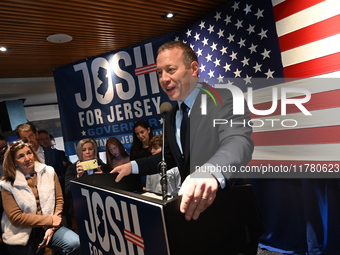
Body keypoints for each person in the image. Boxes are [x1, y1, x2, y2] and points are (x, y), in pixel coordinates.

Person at [111, 41, 261, 254]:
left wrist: (210, 171)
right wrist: (132, 166)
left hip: (231, 219)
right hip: (196, 220)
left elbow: (238, 141)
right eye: (159, 73)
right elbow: (170, 157)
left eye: (170, 70)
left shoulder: (225, 98)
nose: (164, 79)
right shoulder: (171, 116)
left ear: (193, 69)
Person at [0, 141, 80, 255]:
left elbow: (59, 200)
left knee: (75, 243)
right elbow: (15, 217)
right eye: (21, 156)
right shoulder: (7, 184)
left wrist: (52, 227)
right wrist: (50, 220)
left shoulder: (49, 172)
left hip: (50, 226)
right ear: (14, 162)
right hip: (22, 232)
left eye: (29, 153)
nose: (27, 158)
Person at [64, 138, 110, 229]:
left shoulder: (103, 166)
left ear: (95, 150)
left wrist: (103, 178)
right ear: (79, 152)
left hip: (101, 210)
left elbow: (112, 190)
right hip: (80, 211)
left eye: (90, 149)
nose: (87, 152)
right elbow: (67, 192)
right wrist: (78, 177)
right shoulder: (72, 168)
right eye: (84, 150)